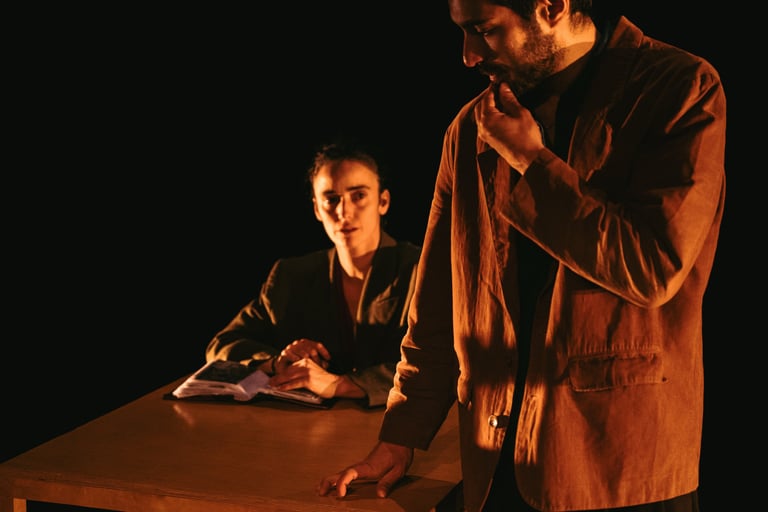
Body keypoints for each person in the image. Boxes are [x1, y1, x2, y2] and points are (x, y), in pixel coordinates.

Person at [317, 1, 725, 511]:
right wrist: (400, 436)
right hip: (497, 465)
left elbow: (652, 268)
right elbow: (439, 304)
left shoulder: (679, 87)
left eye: (483, 30)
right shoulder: (470, 127)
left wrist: (531, 161)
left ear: (551, 6)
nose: (468, 56)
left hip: (620, 469)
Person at [205, 141, 421, 407]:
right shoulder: (291, 275)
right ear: (317, 209)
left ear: (383, 201)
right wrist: (278, 361)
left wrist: (340, 384)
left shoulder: (421, 270)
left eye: (358, 196)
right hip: (307, 426)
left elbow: (442, 362)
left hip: (400, 423)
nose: (343, 211)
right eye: (331, 199)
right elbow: (222, 344)